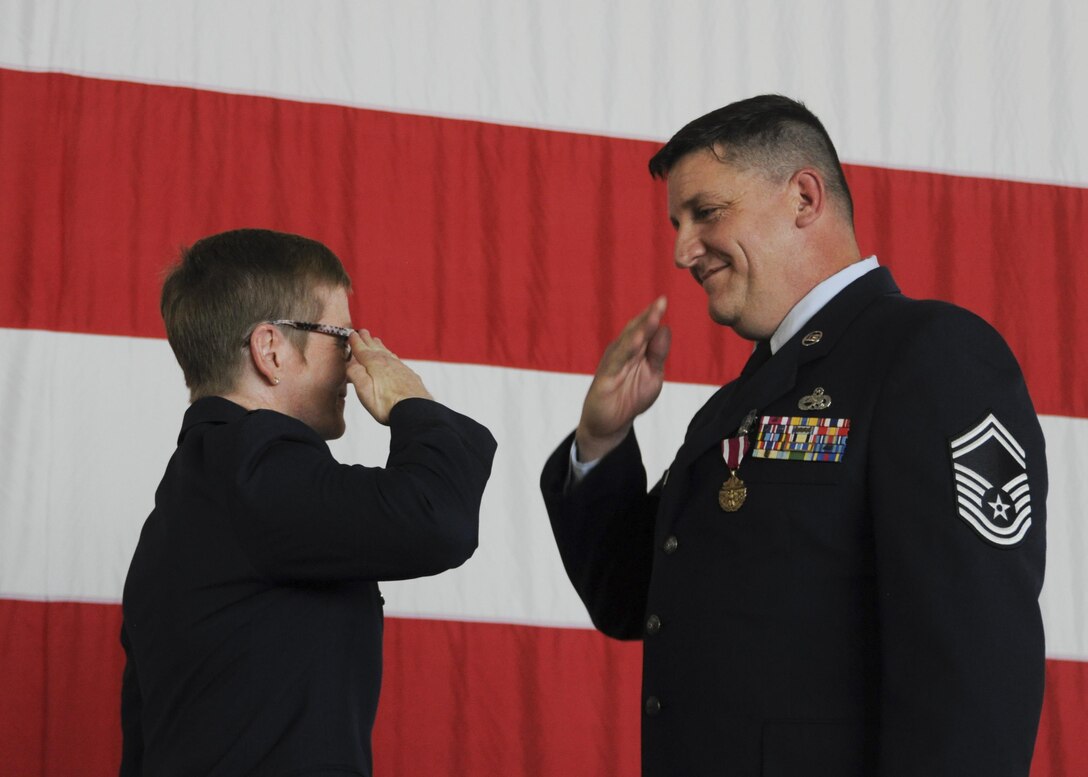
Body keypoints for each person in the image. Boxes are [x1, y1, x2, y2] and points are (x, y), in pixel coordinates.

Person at [540, 95, 1046, 776]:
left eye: (707, 213)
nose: (683, 249)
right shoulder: (732, 408)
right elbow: (630, 596)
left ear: (805, 197)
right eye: (677, 223)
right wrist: (600, 443)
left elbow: (975, 662)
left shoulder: (930, 355)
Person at [120, 228, 496, 776]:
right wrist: (411, 400)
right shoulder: (252, 462)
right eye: (339, 334)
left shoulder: (203, 482)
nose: (354, 357)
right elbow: (437, 517)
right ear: (270, 349)